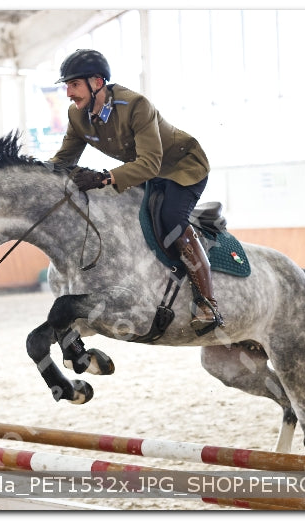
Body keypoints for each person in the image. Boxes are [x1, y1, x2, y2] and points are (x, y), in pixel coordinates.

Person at [49, 49, 224, 334]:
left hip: (183, 167)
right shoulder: (77, 115)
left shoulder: (136, 106)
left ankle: (207, 302)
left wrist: (104, 178)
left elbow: (151, 163)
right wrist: (36, 173)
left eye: (74, 84)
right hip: (145, 172)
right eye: (66, 86)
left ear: (96, 82)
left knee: (171, 219)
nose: (68, 92)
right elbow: (64, 160)